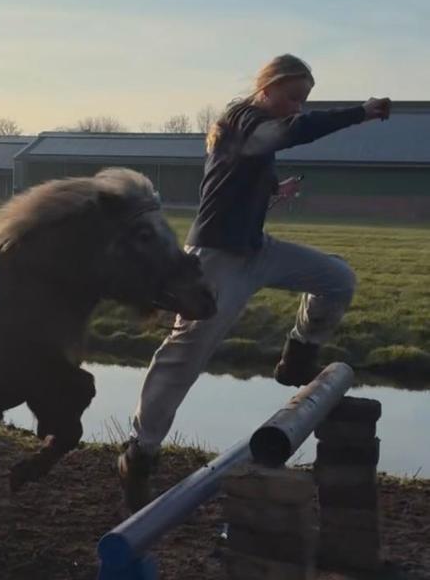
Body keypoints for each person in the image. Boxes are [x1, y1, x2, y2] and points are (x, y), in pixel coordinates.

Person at [118, 54, 391, 511]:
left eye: (304, 100)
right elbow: (291, 133)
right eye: (292, 97)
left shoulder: (253, 133)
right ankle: (139, 453)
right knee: (183, 358)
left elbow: (235, 178)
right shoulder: (242, 119)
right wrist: (360, 112)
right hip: (215, 261)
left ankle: (297, 356)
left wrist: (271, 191)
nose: (297, 108)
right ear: (267, 89)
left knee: (337, 278)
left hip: (256, 250)